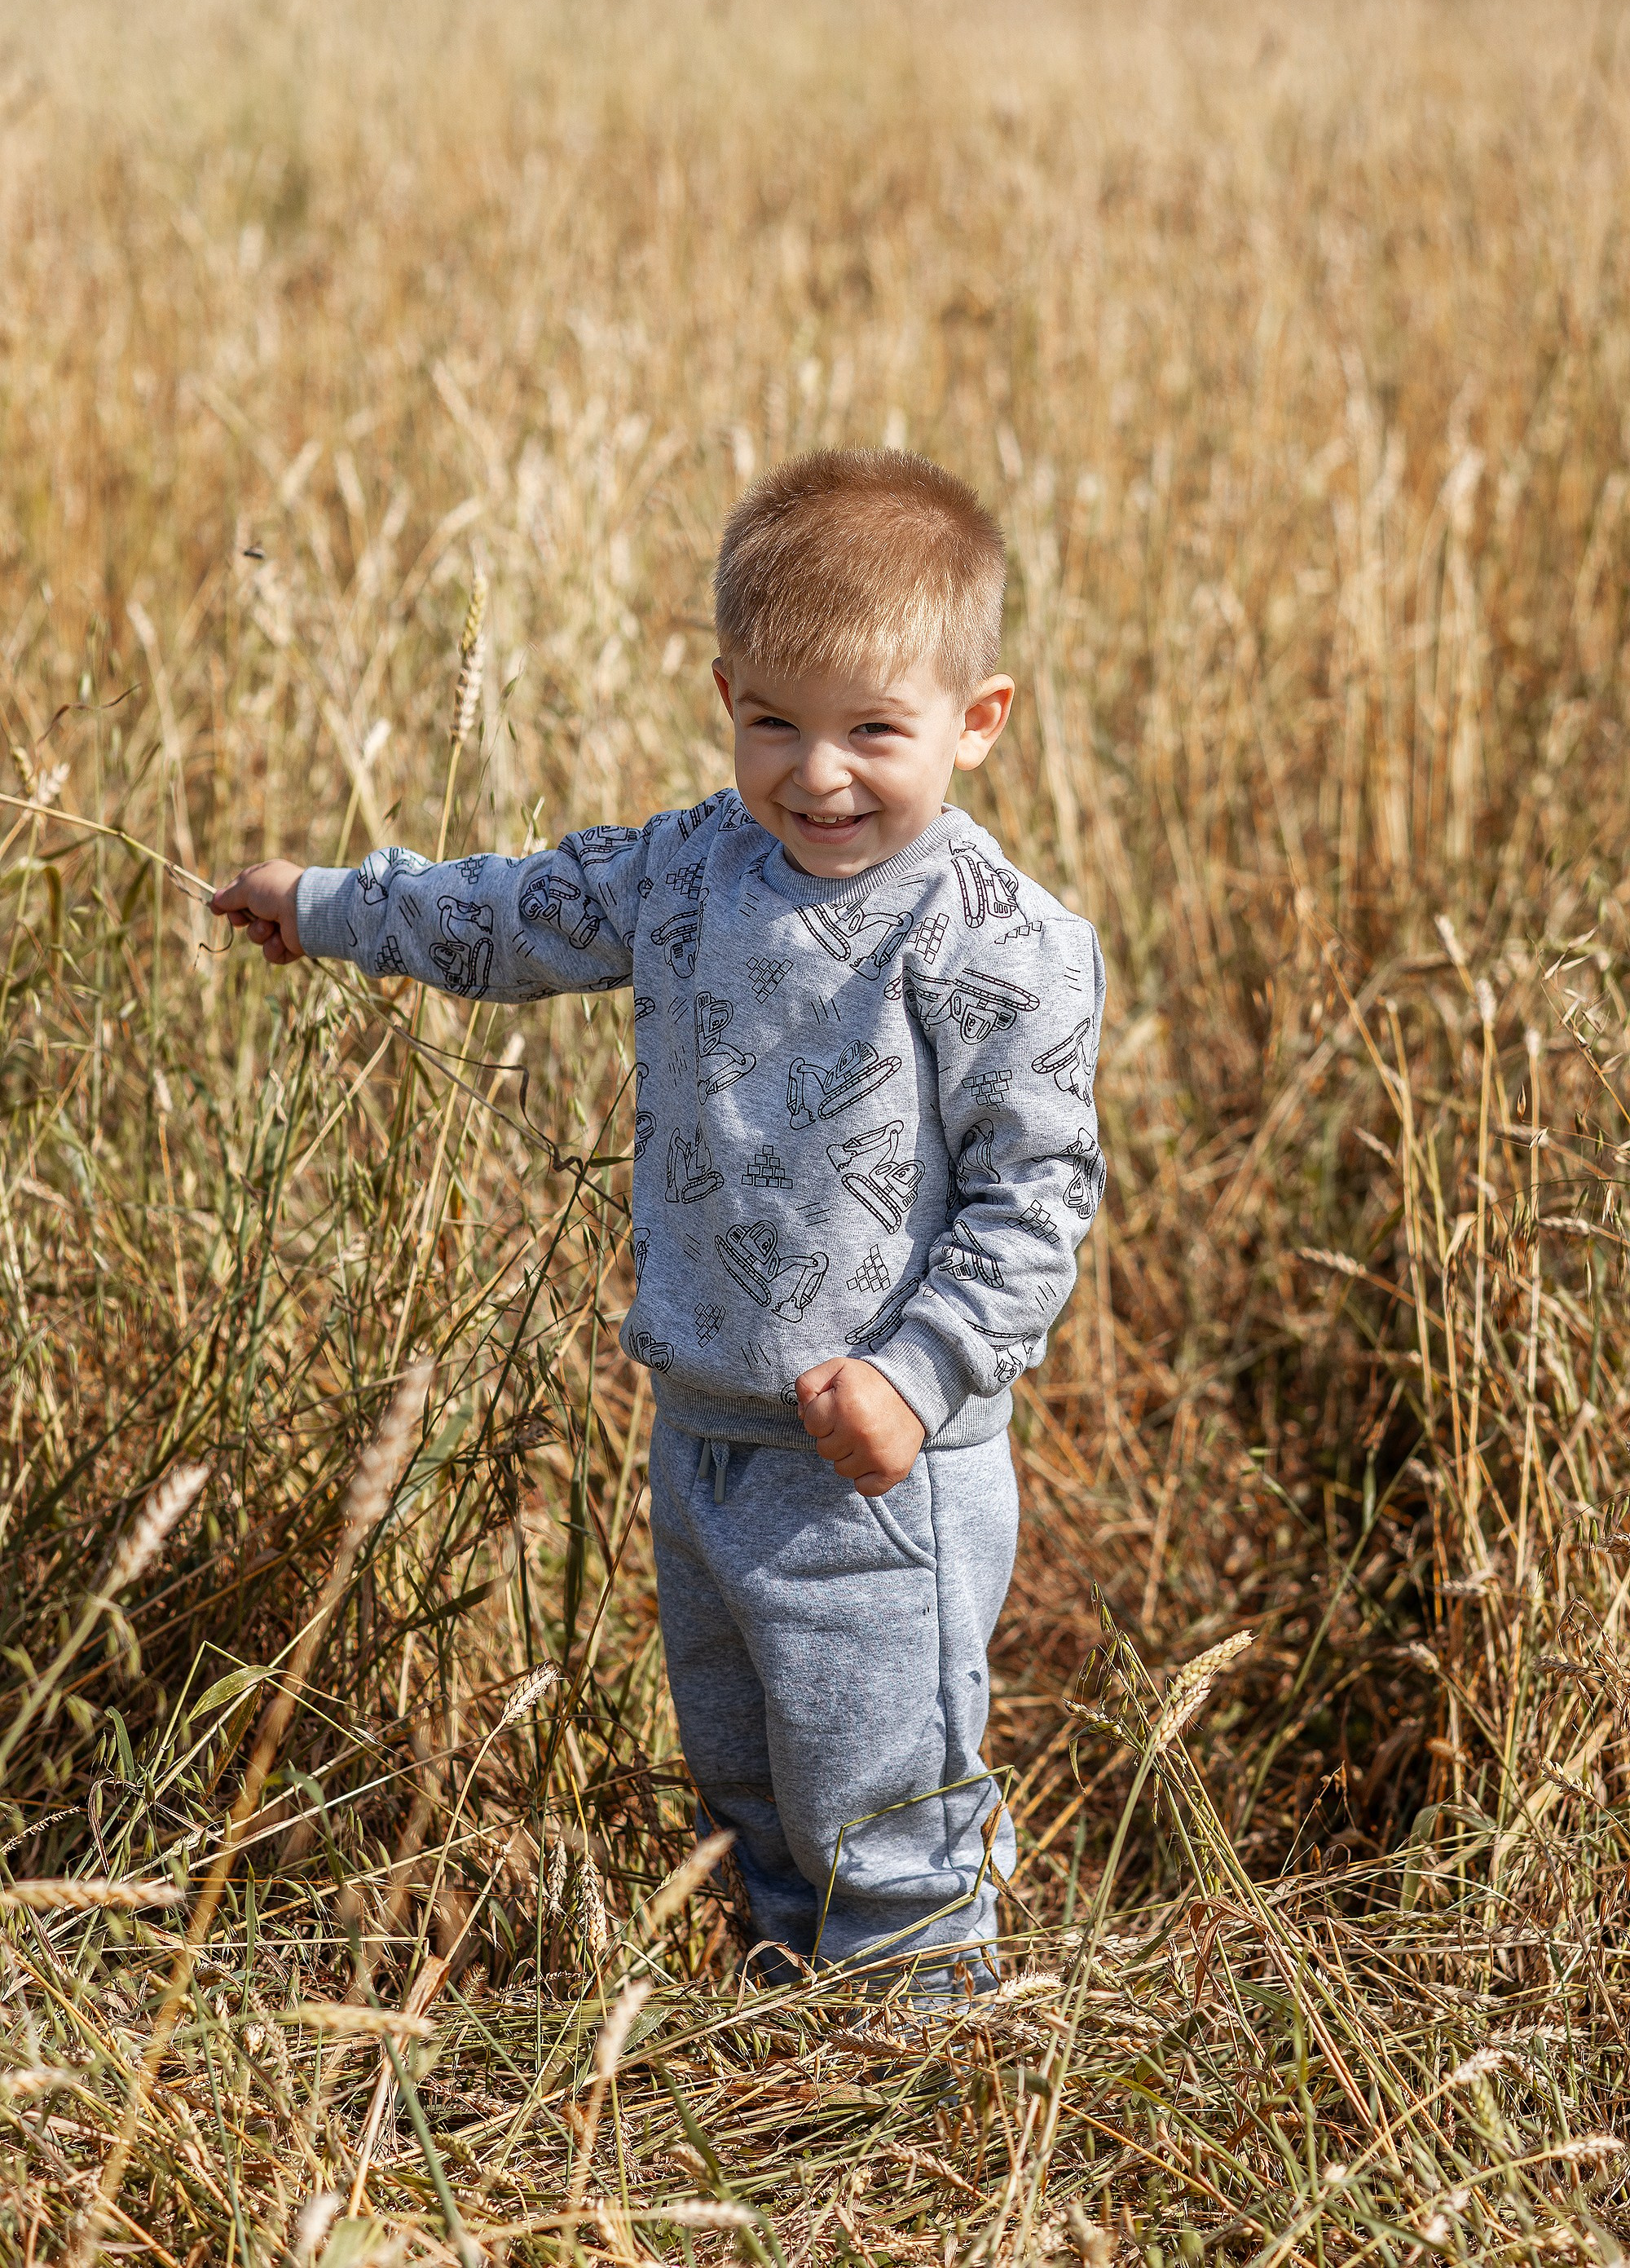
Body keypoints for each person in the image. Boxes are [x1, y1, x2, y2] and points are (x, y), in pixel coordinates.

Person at [213, 447, 1107, 2001]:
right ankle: (786, 2040)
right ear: (725, 695)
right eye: (775, 722)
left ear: (981, 720)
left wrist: (919, 1373)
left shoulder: (1005, 943)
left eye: (873, 732)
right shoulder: (692, 868)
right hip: (700, 1439)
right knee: (753, 1795)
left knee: (881, 1820)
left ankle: (919, 2097)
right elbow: (514, 913)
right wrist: (333, 904)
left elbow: (1040, 1201)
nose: (816, 775)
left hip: (876, 1476)